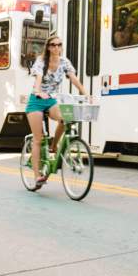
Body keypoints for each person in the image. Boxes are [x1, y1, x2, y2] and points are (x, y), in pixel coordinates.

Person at [25, 35, 89, 189]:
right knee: (38, 139)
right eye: (53, 45)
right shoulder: (41, 61)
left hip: (52, 100)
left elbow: (74, 79)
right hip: (36, 101)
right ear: (48, 47)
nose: (56, 48)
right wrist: (38, 91)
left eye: (59, 45)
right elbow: (38, 79)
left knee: (65, 118)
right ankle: (37, 176)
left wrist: (85, 94)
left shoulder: (65, 62)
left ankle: (54, 146)